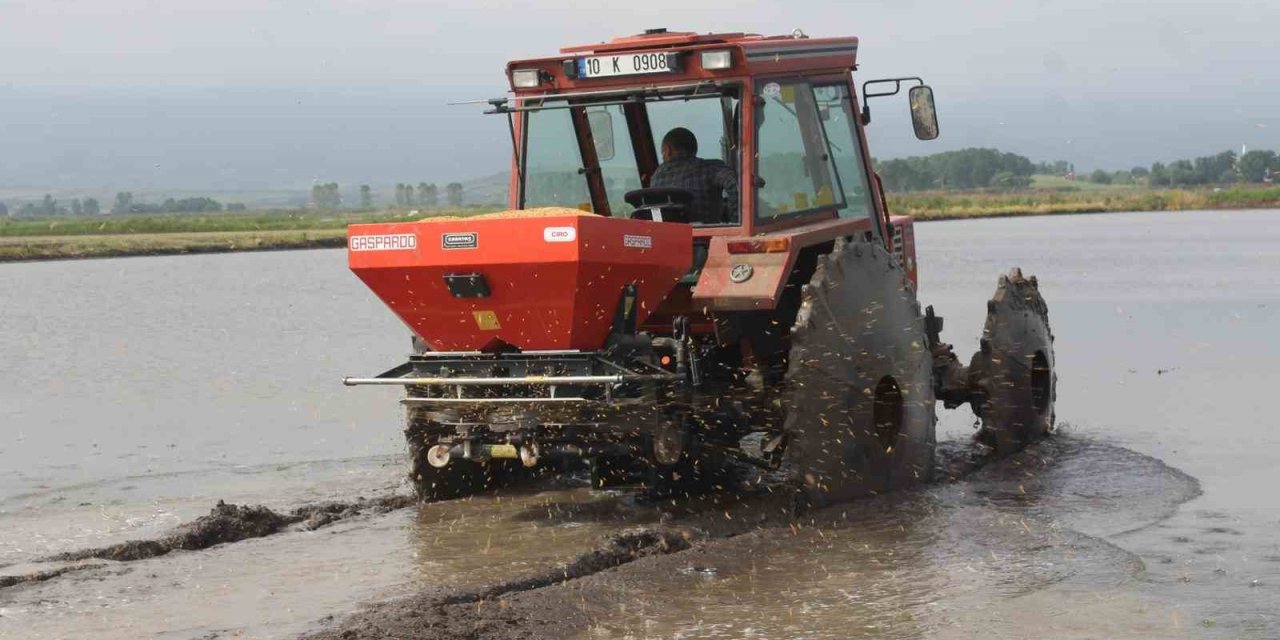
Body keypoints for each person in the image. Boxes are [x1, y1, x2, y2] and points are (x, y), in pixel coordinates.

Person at [649, 127, 738, 224]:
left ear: (669, 150)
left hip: (667, 233)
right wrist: (735, 221)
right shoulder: (710, 168)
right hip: (705, 233)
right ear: (694, 150)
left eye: (663, 153)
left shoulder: (656, 177)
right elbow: (735, 184)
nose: (663, 157)